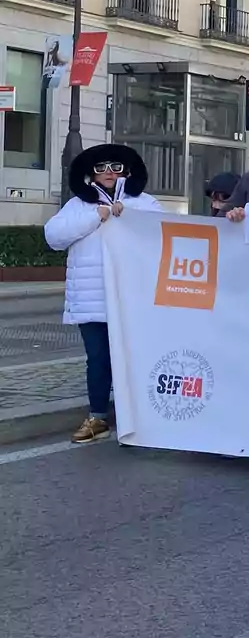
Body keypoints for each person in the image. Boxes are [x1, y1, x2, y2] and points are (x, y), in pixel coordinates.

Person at [44, 144, 163, 443]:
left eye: (115, 166)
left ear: (127, 170)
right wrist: (98, 216)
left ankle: (141, 415)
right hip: (92, 299)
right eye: (101, 167)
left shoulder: (144, 202)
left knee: (135, 356)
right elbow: (53, 237)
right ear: (90, 173)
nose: (109, 172)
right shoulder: (77, 206)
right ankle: (98, 416)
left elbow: (163, 232)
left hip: (133, 298)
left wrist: (129, 214)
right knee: (97, 358)